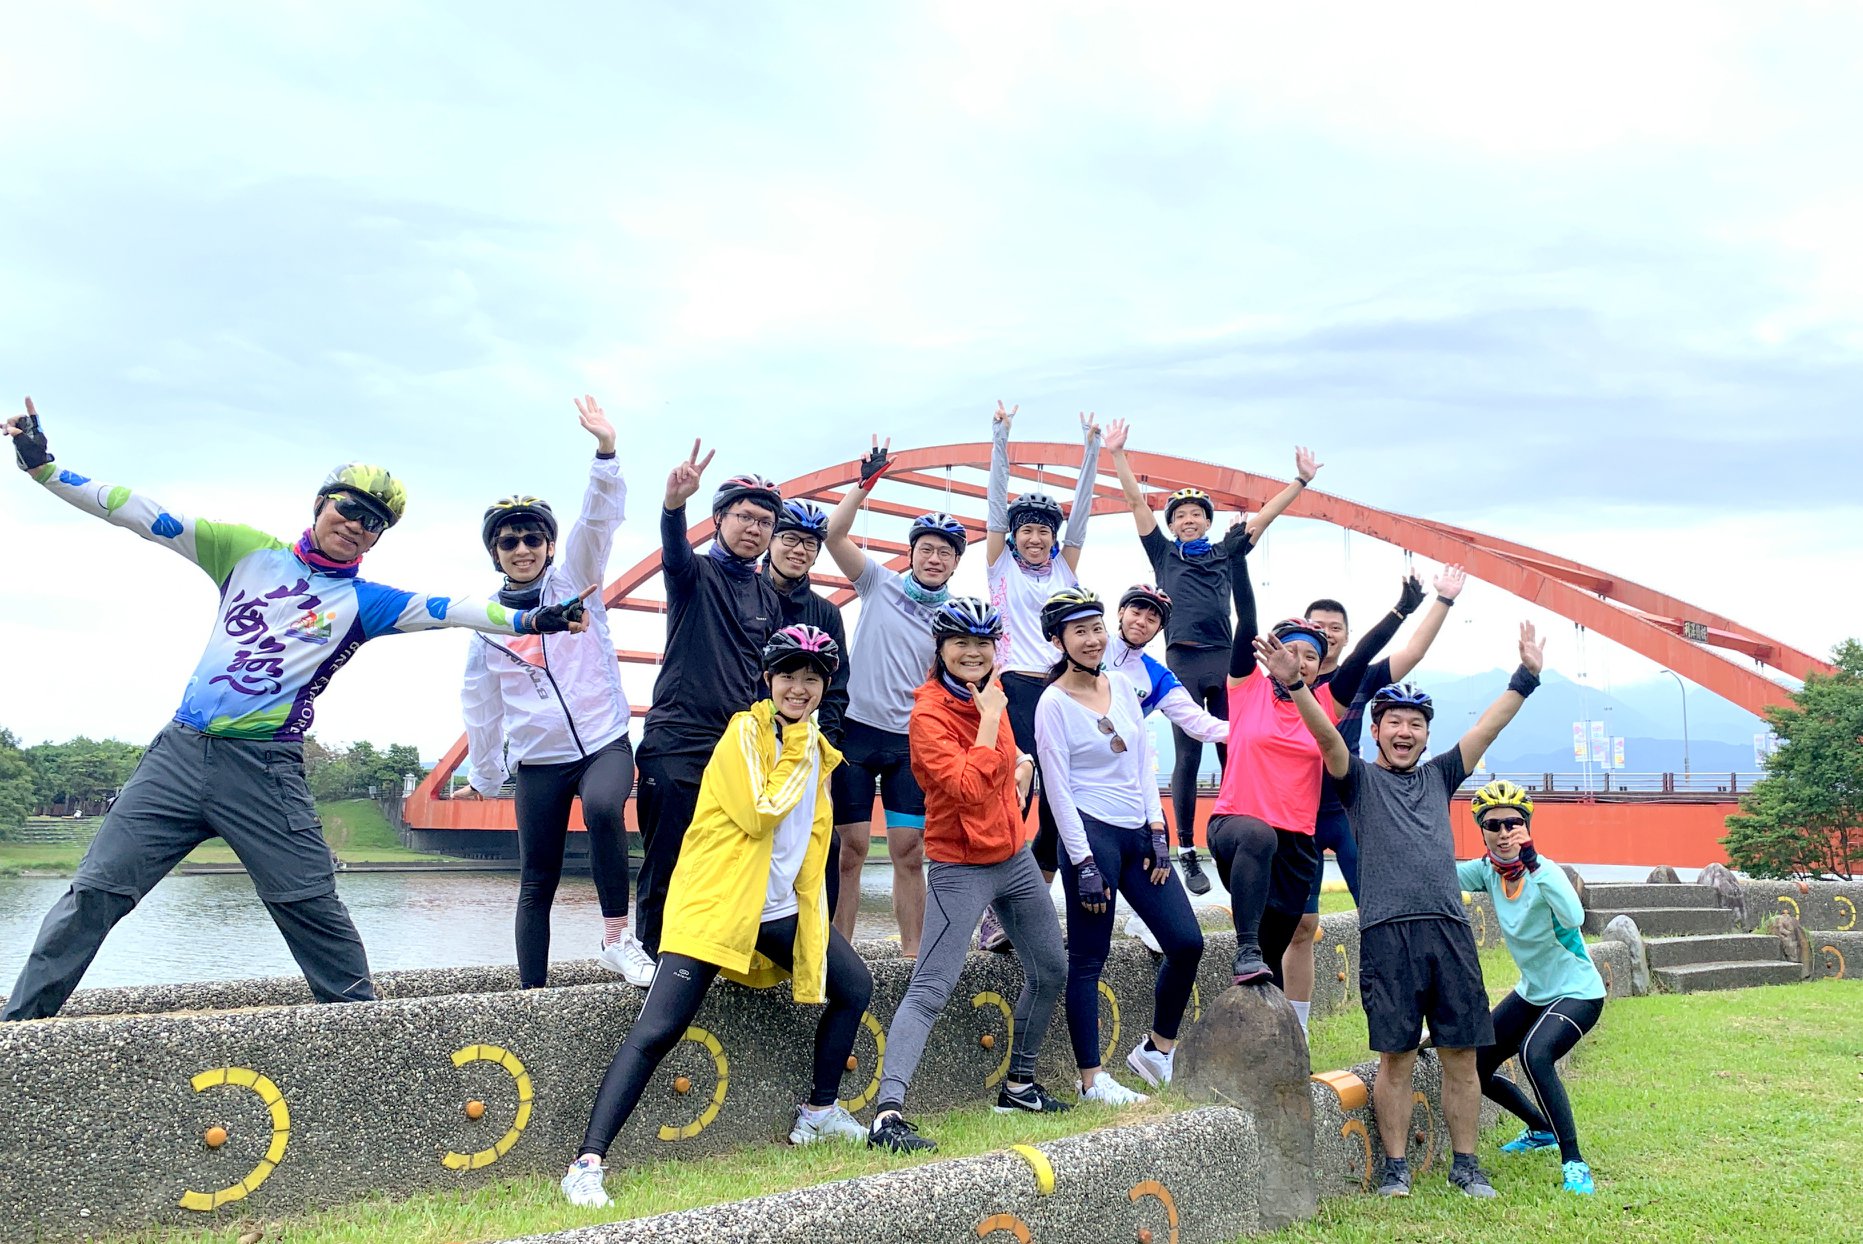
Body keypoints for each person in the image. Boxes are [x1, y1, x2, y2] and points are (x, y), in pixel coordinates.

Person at [2, 398, 591, 1021]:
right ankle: (19, 1033)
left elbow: (453, 609)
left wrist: (533, 618)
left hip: (264, 770)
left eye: (373, 522)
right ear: (320, 504)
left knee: (310, 907)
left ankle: (366, 1039)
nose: (357, 525)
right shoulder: (243, 551)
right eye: (349, 508)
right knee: (94, 894)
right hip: (177, 756)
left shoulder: (364, 602)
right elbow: (139, 512)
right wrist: (44, 469)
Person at [561, 626, 872, 1208]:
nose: (799, 688)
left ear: (825, 686)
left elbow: (810, 842)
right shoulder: (745, 734)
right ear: (768, 679)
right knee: (658, 1031)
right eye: (788, 675)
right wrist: (801, 745)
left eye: (812, 678)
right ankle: (586, 1163)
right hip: (716, 907)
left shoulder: (816, 748)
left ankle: (819, 1112)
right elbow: (759, 813)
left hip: (776, 910)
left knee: (855, 986)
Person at [1265, 622, 1548, 1200]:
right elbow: (1326, 739)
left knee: (1461, 1055)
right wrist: (1296, 687)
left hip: (1449, 932)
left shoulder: (1441, 775)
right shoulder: (1358, 780)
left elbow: (1486, 728)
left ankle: (1466, 1165)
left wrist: (1526, 676)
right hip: (1386, 935)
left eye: (1415, 724)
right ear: (1375, 730)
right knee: (1394, 1056)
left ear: (1425, 736)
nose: (1405, 731)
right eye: (1394, 721)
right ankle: (1395, 1168)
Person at [867, 598, 1067, 1153]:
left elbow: (1005, 760)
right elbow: (965, 787)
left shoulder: (990, 690)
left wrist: (1022, 759)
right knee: (931, 987)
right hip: (959, 865)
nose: (973, 652)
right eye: (961, 642)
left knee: (1051, 969)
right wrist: (991, 719)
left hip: (1014, 857)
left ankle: (1019, 1087)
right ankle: (886, 1116)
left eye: (983, 643)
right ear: (941, 649)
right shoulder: (929, 714)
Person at [459, 396, 645, 988]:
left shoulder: (576, 581)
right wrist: (486, 776)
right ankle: (531, 996)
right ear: (496, 553)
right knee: (536, 879)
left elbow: (597, 522)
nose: (522, 549)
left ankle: (617, 938)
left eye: (532, 538)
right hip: (538, 761)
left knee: (603, 808)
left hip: (601, 742)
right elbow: (482, 711)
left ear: (548, 544)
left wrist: (606, 454)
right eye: (509, 541)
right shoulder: (486, 626)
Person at [1104, 418, 1317, 894]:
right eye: (1179, 515)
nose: (1188, 520)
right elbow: (1137, 503)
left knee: (1235, 746)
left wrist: (1300, 482)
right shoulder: (1163, 555)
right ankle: (1185, 850)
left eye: (1196, 514)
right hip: (1182, 659)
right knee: (1188, 754)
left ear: (1207, 521)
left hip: (1225, 659)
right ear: (1171, 524)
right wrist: (1117, 455)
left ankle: (1240, 832)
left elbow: (1264, 519)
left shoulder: (1225, 552)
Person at [1034, 588, 1203, 1105]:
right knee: (1088, 959)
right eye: (1079, 631)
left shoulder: (1124, 686)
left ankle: (1156, 1050)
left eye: (1097, 628)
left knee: (1186, 942)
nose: (1092, 639)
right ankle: (1092, 1080)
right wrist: (1083, 862)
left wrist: (1158, 828)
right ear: (1059, 640)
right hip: (1092, 836)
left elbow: (1142, 763)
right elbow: (1057, 790)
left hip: (1139, 832)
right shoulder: (1052, 703)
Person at [1278, 568, 1464, 1030]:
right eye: (1317, 626)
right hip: (1297, 814)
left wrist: (1442, 600)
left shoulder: (1360, 678)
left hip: (1351, 812)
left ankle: (1408, 1012)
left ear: (1346, 637)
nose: (1326, 634)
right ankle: (1297, 1028)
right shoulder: (1277, 683)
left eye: (1335, 627)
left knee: (1384, 911)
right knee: (1301, 926)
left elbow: (1414, 651)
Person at [631, 445, 784, 964]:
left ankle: (702, 960)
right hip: (678, 740)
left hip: (736, 751)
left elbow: (765, 679)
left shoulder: (768, 597)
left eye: (765, 522)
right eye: (744, 516)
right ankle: (651, 959)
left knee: (724, 862)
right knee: (667, 859)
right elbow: (673, 549)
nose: (754, 528)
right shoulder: (692, 574)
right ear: (719, 519)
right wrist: (674, 505)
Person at [823, 438, 967, 957]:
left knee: (909, 849)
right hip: (857, 733)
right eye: (926, 549)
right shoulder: (878, 583)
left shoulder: (955, 617)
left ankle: (912, 953)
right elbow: (833, 534)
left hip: (911, 741)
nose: (934, 558)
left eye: (945, 552)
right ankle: (839, 953)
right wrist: (863, 487)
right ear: (911, 554)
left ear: (955, 563)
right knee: (851, 849)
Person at [1460, 780, 1604, 1198]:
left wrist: (1534, 863)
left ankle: (1574, 1160)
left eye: (1513, 823)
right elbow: (1439, 874)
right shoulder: (1487, 873)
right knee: (1476, 1064)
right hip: (1534, 991)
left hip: (1578, 991)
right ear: (1482, 831)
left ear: (1526, 826)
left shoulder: (1545, 872)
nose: (1504, 833)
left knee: (1534, 1054)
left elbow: (1574, 917)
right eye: (1493, 825)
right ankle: (1540, 1129)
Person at [984, 402, 1102, 890]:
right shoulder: (1000, 566)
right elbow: (995, 505)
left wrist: (1092, 449)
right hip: (1014, 687)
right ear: (1015, 535)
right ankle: (996, 902)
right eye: (1027, 530)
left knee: (1059, 800)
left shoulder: (1064, 568)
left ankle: (1033, 901)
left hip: (1060, 691)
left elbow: (1083, 516)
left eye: (1044, 531)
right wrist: (1001, 437)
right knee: (1016, 792)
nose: (1036, 538)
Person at [763, 499, 851, 916]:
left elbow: (837, 688)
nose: (799, 550)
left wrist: (824, 753)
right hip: (748, 736)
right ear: (770, 540)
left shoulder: (826, 612)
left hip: (802, 741)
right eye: (790, 539)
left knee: (823, 840)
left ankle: (817, 933)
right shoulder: (742, 594)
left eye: (810, 544)